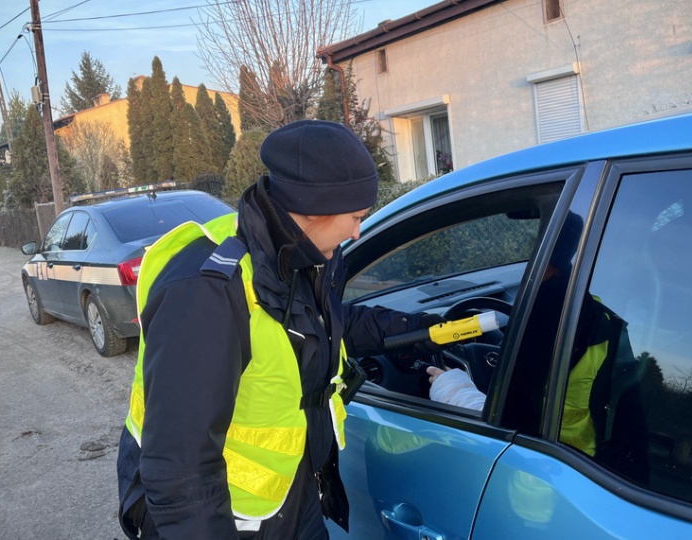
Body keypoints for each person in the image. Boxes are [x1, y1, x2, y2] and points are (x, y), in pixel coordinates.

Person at [116, 119, 441, 539]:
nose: (359, 231)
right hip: (230, 522)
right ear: (315, 207)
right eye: (356, 216)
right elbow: (180, 470)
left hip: (295, 498)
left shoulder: (304, 254)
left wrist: (424, 328)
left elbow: (324, 328)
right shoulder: (206, 292)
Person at [427, 213, 649, 484]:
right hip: (599, 471)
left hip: (542, 479)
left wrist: (451, 388)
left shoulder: (543, 320)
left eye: (537, 243)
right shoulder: (604, 319)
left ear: (548, 255)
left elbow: (505, 428)